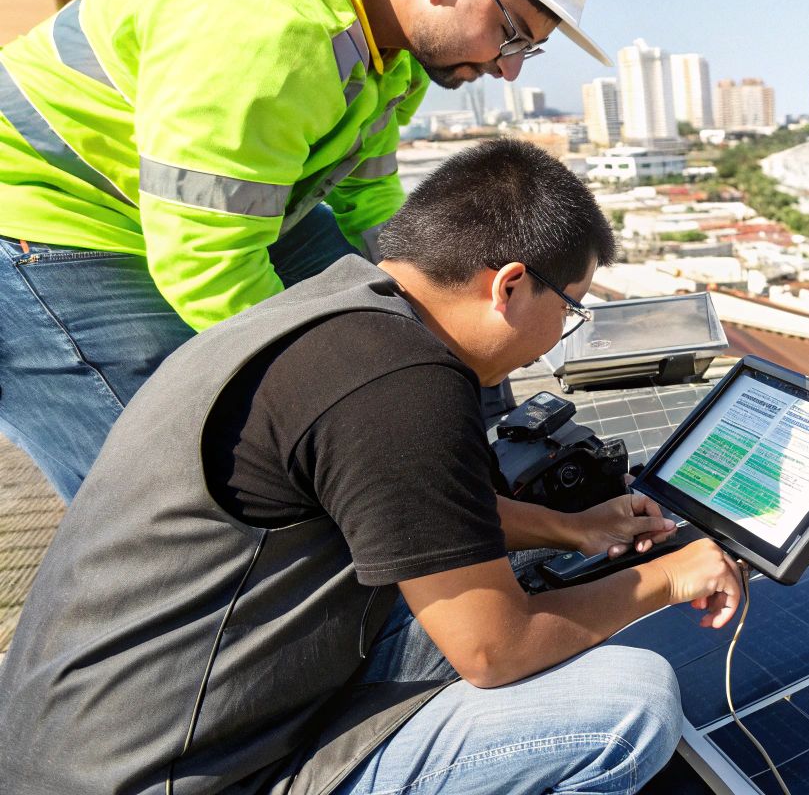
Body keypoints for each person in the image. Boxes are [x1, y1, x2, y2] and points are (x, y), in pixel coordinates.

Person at [0, 139, 743, 795]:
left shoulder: (338, 319)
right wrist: (665, 579)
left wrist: (572, 529)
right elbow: (494, 651)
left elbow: (418, 514)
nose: (559, 336)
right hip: (177, 775)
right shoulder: (403, 383)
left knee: (487, 585)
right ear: (509, 285)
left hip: (82, 743)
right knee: (630, 702)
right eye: (570, 307)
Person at [0, 0, 613, 502]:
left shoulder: (390, 45)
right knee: (176, 485)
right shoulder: (267, 32)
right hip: (48, 224)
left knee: (413, 320)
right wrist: (340, 390)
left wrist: (443, 321)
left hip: (212, 215)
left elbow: (368, 197)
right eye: (512, 36)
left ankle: (463, 497)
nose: (509, 68)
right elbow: (207, 267)